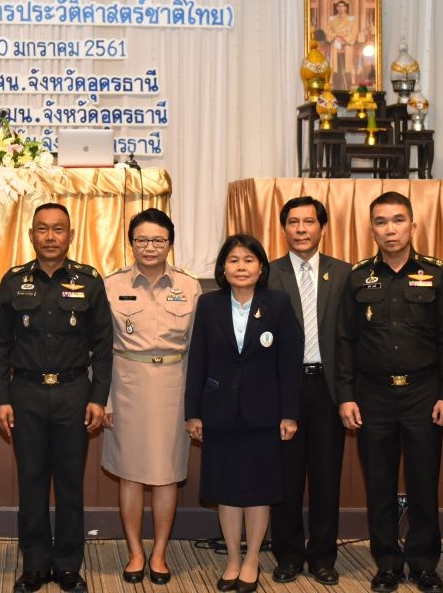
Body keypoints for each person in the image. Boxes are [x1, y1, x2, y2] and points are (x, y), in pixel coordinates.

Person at [335, 191, 443, 593]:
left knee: (424, 482)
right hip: (373, 395)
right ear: (371, 229)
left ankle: (423, 564)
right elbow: (345, 340)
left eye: (398, 220)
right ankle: (387, 563)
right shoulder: (358, 276)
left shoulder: (437, 273)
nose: (390, 229)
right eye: (382, 221)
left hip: (424, 393)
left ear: (413, 226)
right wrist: (346, 395)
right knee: (379, 483)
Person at [0, 203, 112, 593]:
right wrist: (1, 398)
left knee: (70, 482)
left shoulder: (89, 281)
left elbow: (103, 346)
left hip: (73, 393)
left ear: (70, 236)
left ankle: (68, 566)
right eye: (42, 229)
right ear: (31, 235)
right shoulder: (13, 281)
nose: (50, 236)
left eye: (58, 229)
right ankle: (35, 563)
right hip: (25, 393)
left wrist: (98, 397)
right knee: (31, 481)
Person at [186, 234, 301, 593]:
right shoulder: (209, 304)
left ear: (261, 267)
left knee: (258, 490)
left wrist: (289, 414)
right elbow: (198, 360)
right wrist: (193, 413)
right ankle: (233, 559)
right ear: (223, 268)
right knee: (227, 490)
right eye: (234, 260)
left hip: (263, 414)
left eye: (249, 260)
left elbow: (289, 364)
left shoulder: (278, 304)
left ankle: (252, 559)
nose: (241, 267)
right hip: (219, 412)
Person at [101, 209, 200, 586]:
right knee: (130, 474)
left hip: (174, 385)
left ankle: (159, 552)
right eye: (141, 239)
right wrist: (105, 399)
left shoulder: (189, 286)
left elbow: (198, 350)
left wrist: (195, 405)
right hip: (126, 386)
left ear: (170, 243)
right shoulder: (111, 285)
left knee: (166, 475)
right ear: (131, 243)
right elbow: (100, 349)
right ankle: (135, 552)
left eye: (158, 240)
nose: (150, 247)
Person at [266, 197, 350, 586]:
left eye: (309, 222)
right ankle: (287, 554)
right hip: (284, 388)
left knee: (326, 476)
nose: (301, 229)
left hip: (329, 389)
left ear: (322, 227)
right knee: (285, 476)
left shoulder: (344, 273)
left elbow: (350, 337)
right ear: (283, 228)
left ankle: (322, 556)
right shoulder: (268, 273)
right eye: (293, 222)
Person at [324, 0, 360, 88]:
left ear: (345, 8)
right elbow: (328, 31)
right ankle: (337, 88)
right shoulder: (332, 19)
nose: (340, 8)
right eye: (339, 6)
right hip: (336, 45)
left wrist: (345, 40)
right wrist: (335, 37)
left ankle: (347, 88)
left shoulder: (351, 19)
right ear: (336, 8)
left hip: (347, 46)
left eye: (342, 6)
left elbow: (354, 32)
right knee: (336, 69)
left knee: (347, 68)